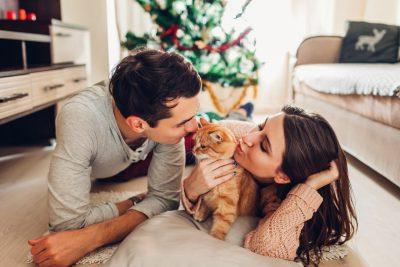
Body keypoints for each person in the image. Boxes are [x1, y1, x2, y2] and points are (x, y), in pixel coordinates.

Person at [28, 48, 239, 267]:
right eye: (183, 121)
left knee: (206, 134)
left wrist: (92, 238)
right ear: (138, 124)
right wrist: (133, 201)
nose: (193, 125)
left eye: (194, 114)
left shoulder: (171, 123)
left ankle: (236, 115)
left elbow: (165, 200)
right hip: (115, 158)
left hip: (145, 150)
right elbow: (68, 226)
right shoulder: (80, 118)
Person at [182, 106, 357, 265]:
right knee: (220, 116)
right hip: (228, 121)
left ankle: (243, 111)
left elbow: (267, 247)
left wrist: (309, 187)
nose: (248, 139)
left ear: (282, 176)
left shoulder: (277, 199)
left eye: (264, 147)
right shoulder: (236, 134)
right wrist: (191, 189)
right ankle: (243, 112)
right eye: (261, 126)